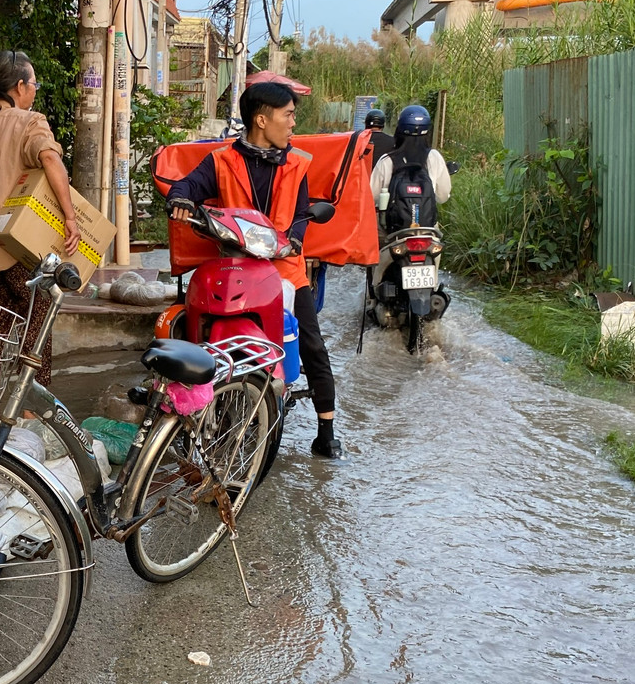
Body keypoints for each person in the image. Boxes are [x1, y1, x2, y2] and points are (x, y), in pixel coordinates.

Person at [166, 81, 343, 460]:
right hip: (236, 266)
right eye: (289, 115)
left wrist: (295, 238)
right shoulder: (221, 160)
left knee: (311, 343)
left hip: (284, 267)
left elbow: (300, 214)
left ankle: (326, 429)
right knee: (192, 331)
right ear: (261, 120)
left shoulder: (298, 163)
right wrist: (180, 198)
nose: (294, 123)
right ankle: (185, 413)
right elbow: (188, 185)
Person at [0, 49, 81, 386]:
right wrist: (70, 216)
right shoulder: (29, 122)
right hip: (19, 251)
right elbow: (50, 159)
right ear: (19, 87)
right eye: (33, 83)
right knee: (36, 336)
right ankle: (27, 417)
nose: (35, 90)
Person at [369, 104, 452, 226]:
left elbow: (372, 197)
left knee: (377, 239)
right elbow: (443, 196)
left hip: (392, 228)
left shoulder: (387, 160)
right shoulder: (434, 157)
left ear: (399, 131)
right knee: (436, 240)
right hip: (426, 228)